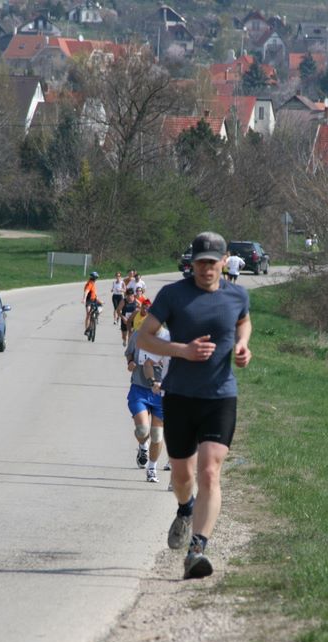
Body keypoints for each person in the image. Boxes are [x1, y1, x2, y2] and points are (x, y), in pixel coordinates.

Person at [137, 231, 252, 580]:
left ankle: (197, 549)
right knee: (184, 476)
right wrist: (183, 351)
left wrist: (243, 346)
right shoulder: (173, 295)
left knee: (209, 471)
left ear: (224, 260)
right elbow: (144, 336)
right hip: (181, 396)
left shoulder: (237, 295)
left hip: (220, 396)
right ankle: (185, 509)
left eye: (212, 263)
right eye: (200, 263)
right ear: (193, 263)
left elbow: (243, 321)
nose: (206, 269)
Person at [125, 328, 167, 482]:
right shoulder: (138, 334)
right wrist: (130, 362)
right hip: (140, 389)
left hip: (162, 393)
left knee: (156, 434)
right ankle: (143, 446)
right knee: (143, 430)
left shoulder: (169, 337)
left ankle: (152, 468)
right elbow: (129, 352)